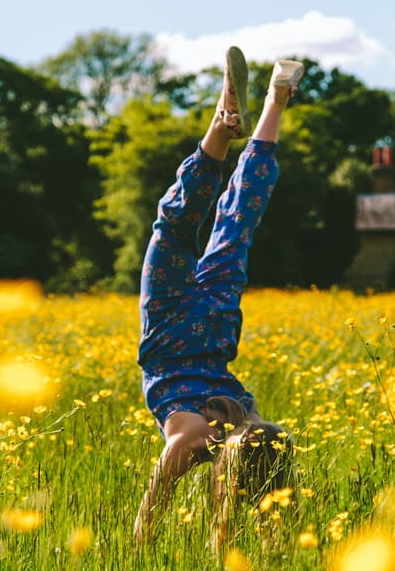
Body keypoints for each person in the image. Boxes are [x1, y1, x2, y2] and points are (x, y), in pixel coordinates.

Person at [133, 46, 304, 543]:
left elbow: (259, 445)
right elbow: (146, 524)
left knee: (235, 225)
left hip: (215, 330)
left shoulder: (251, 419)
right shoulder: (191, 443)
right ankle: (224, 125)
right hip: (168, 335)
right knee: (176, 226)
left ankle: (274, 101)